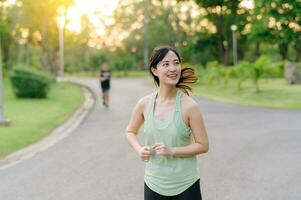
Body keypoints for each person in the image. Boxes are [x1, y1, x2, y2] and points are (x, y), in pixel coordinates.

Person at [125, 46, 209, 200]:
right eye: (166, 64)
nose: (173, 68)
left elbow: (203, 145)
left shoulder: (189, 106)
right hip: (153, 184)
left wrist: (172, 151)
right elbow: (130, 132)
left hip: (186, 185)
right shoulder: (144, 104)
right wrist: (139, 149)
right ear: (154, 70)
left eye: (176, 63)